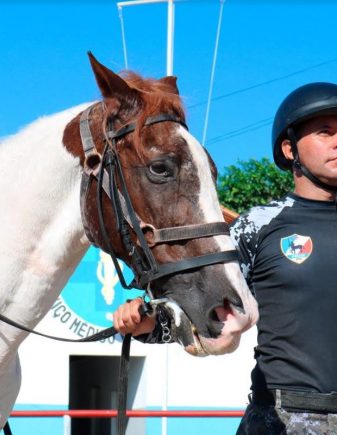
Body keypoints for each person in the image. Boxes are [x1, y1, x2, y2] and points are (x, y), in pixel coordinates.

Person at [113, 82, 337, 434]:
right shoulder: (259, 226)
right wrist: (150, 325)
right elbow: (209, 301)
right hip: (282, 420)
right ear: (289, 148)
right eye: (325, 131)